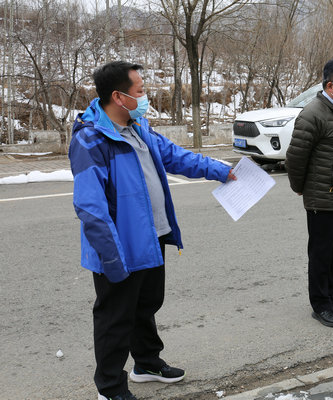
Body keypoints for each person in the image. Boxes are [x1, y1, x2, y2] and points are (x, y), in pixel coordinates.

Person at [69, 61, 235, 400]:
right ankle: (111, 388)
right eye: (141, 91)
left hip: (152, 237)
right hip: (119, 248)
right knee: (115, 318)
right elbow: (91, 209)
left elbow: (175, 157)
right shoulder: (91, 140)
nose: (147, 97)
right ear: (118, 96)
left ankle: (146, 363)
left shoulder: (138, 126)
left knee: (146, 306)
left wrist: (219, 170)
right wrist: (112, 259)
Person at [285, 58, 333, 328]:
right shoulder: (313, 113)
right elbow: (295, 157)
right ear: (331, 85)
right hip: (323, 197)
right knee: (321, 254)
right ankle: (320, 303)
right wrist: (300, 188)